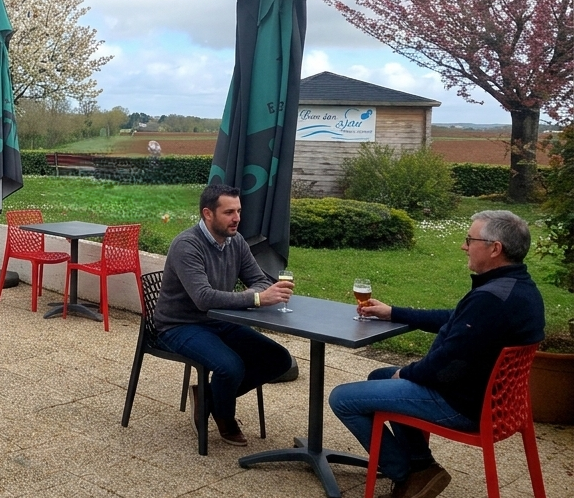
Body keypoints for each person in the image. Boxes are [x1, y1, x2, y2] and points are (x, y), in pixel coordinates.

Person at [328, 210, 545, 498]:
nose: (464, 246)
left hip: (463, 405)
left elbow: (447, 364)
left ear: (495, 249)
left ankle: (409, 474)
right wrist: (393, 312)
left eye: (470, 239)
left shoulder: (489, 300)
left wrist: (405, 373)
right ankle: (420, 463)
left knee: (342, 398)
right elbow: (454, 319)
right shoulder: (518, 288)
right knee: (377, 376)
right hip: (499, 404)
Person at [151, 184, 294, 446]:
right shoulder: (187, 245)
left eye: (238, 211)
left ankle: (210, 397)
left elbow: (259, 279)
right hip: (178, 325)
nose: (237, 218)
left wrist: (259, 292)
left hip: (221, 319)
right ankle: (225, 417)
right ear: (208, 213)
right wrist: (256, 298)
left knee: (279, 359)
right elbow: (203, 298)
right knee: (230, 368)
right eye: (229, 212)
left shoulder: (235, 240)